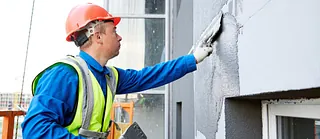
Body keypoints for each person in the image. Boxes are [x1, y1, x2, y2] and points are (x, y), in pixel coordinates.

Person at [21, 3, 214, 139]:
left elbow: (149, 76)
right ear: (98, 37)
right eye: (114, 31)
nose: (120, 37)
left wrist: (193, 59)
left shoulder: (108, 76)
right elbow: (35, 130)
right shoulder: (64, 75)